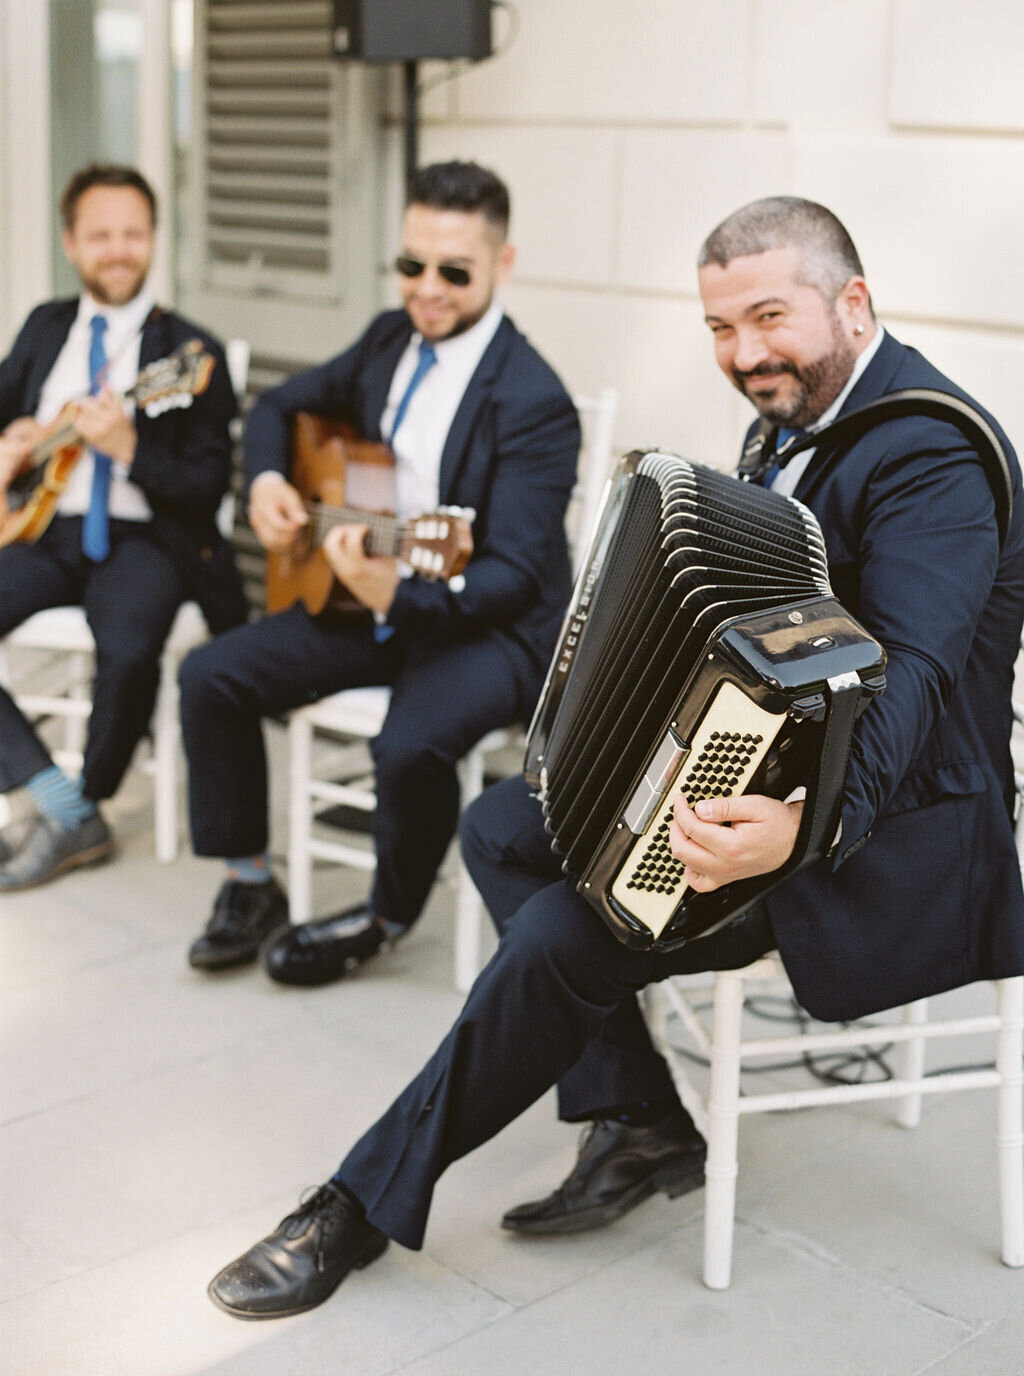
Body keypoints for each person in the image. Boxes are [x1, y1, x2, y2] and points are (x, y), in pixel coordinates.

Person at [205, 196, 1024, 1321]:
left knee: (559, 930)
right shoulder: (790, 419)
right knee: (499, 823)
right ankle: (639, 1113)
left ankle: (358, 1200)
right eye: (720, 329)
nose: (743, 355)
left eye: (768, 318)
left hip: (888, 833)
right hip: (762, 777)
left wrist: (805, 824)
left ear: (852, 302)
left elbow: (918, 677)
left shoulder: (931, 454)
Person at [181, 161, 580, 979]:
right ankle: (249, 880)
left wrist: (398, 589)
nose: (426, 289)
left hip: (492, 628)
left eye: (453, 271)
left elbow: (514, 574)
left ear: (502, 266)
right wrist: (263, 482)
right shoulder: (386, 340)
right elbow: (276, 405)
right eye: (410, 265)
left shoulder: (534, 401)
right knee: (209, 675)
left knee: (409, 745)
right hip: (373, 599)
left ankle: (384, 917)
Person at [0, 163, 243, 892]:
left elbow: (206, 489)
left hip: (149, 540)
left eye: (132, 234)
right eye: (100, 235)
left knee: (131, 646)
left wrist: (129, 448)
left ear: (153, 242)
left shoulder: (191, 356)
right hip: (43, 533)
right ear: (71, 243)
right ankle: (60, 805)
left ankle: (89, 800)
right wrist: (16, 443)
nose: (118, 249)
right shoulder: (46, 327)